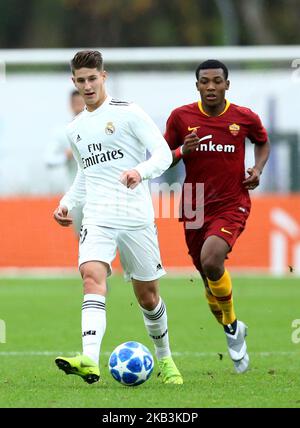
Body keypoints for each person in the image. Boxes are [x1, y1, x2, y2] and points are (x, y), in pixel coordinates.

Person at [53, 50, 183, 385]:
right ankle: (90, 360)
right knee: (91, 276)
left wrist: (140, 172)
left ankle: (166, 359)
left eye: (92, 79)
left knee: (148, 296)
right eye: (81, 80)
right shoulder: (75, 129)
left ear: (103, 77)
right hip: (96, 216)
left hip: (135, 216)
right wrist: (66, 203)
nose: (87, 85)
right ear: (74, 82)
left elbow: (164, 154)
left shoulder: (129, 114)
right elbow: (85, 175)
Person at [164, 59, 270, 373]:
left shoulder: (244, 117)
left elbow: (262, 142)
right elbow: (162, 160)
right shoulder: (181, 118)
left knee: (212, 260)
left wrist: (257, 169)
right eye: (205, 82)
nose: (211, 87)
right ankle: (233, 327)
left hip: (231, 200)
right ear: (197, 85)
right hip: (194, 201)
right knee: (208, 278)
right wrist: (182, 150)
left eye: (217, 81)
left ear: (227, 84)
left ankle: (232, 328)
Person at [45, 90, 85, 234]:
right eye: (76, 103)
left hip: (99, 192)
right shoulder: (63, 132)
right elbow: (48, 159)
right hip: (76, 195)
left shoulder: (99, 128)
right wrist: (66, 156)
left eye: (82, 102)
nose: (79, 106)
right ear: (70, 105)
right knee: (82, 237)